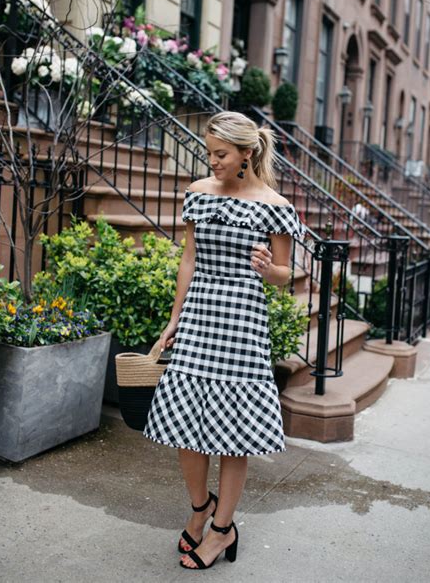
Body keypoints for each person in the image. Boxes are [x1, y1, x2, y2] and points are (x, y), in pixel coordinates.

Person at [143, 110, 308, 570]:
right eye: (209, 152)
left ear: (246, 155)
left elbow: (284, 274)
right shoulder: (198, 193)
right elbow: (189, 260)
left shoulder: (275, 206)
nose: (211, 161)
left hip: (242, 323)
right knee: (183, 418)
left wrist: (266, 268)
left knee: (234, 434)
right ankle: (200, 509)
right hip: (199, 316)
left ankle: (221, 530)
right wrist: (175, 318)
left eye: (220, 154)